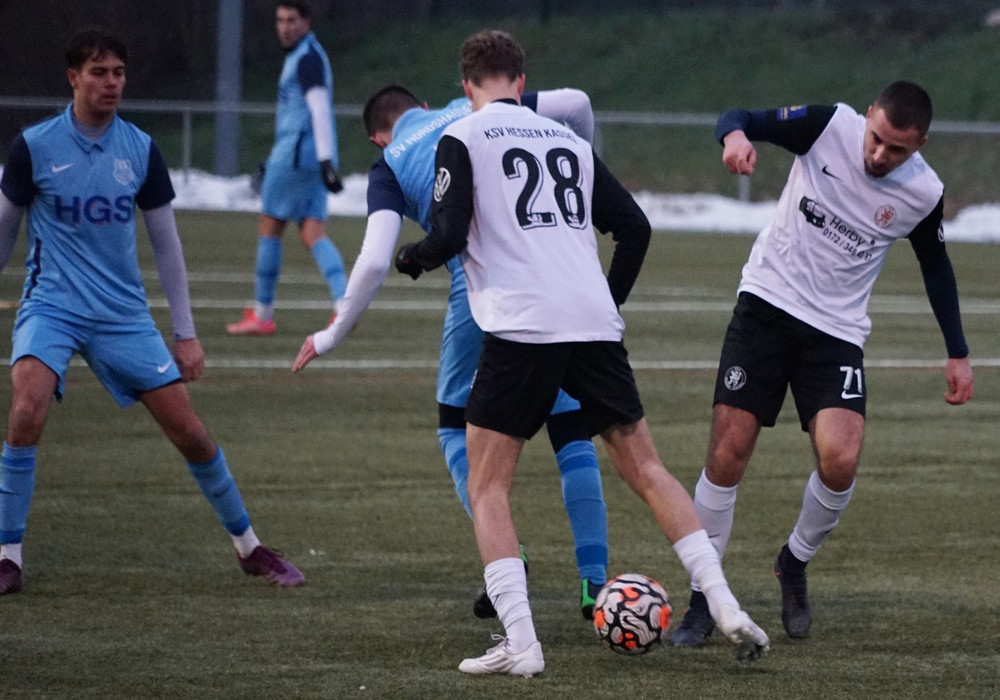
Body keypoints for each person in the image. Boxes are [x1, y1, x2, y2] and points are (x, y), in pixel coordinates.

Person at [393, 29, 769, 677]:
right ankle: (726, 604)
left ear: (466, 87)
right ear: (521, 81)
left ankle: (522, 643)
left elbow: (449, 232)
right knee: (647, 469)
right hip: (591, 325)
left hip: (521, 324)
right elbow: (635, 227)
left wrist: (415, 257)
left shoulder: (464, 135)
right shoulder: (566, 138)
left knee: (488, 485)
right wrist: (605, 302)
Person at [669, 81, 975, 647]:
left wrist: (957, 352)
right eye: (876, 138)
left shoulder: (923, 192)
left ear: (920, 145)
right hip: (766, 305)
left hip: (835, 332)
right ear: (868, 116)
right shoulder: (828, 126)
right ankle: (703, 599)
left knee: (841, 460)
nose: (879, 155)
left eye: (897, 149)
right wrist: (734, 138)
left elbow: (936, 266)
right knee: (727, 454)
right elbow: (739, 114)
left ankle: (794, 561)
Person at [0, 27, 304, 595]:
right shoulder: (34, 146)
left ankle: (249, 547)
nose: (111, 82)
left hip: (123, 315)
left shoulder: (140, 149)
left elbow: (166, 245)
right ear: (73, 78)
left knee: (190, 432)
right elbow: (4, 231)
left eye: (118, 72)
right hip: (52, 306)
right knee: (26, 410)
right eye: (99, 72)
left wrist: (185, 333)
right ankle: (7, 556)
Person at [292, 84, 610, 620]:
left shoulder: (390, 163)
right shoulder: (478, 107)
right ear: (424, 105)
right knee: (568, 417)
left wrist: (331, 334)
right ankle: (594, 583)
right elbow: (577, 104)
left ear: (377, 137)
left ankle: (507, 556)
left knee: (453, 424)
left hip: (481, 284)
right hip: (556, 272)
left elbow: (375, 260)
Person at [226, 0, 347, 335]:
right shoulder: (309, 55)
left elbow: (319, 109)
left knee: (270, 227)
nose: (285, 27)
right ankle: (344, 306)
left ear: (307, 22)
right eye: (280, 20)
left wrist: (324, 159)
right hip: (308, 157)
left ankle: (263, 315)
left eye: (292, 20)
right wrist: (325, 159)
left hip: (295, 157)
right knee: (312, 233)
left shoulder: (306, 58)